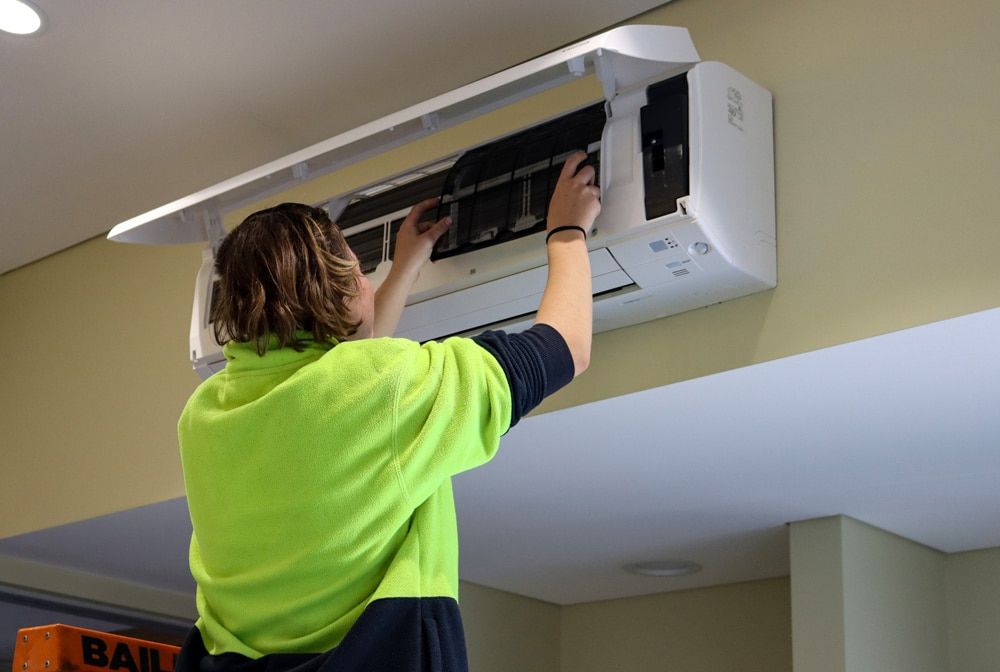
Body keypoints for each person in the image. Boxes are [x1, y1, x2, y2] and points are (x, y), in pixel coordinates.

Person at [175, 152, 600, 672]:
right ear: (341, 286)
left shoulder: (204, 414)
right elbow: (565, 348)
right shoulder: (387, 387)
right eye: (358, 268)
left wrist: (403, 269)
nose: (366, 278)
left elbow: (342, 383)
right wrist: (566, 232)